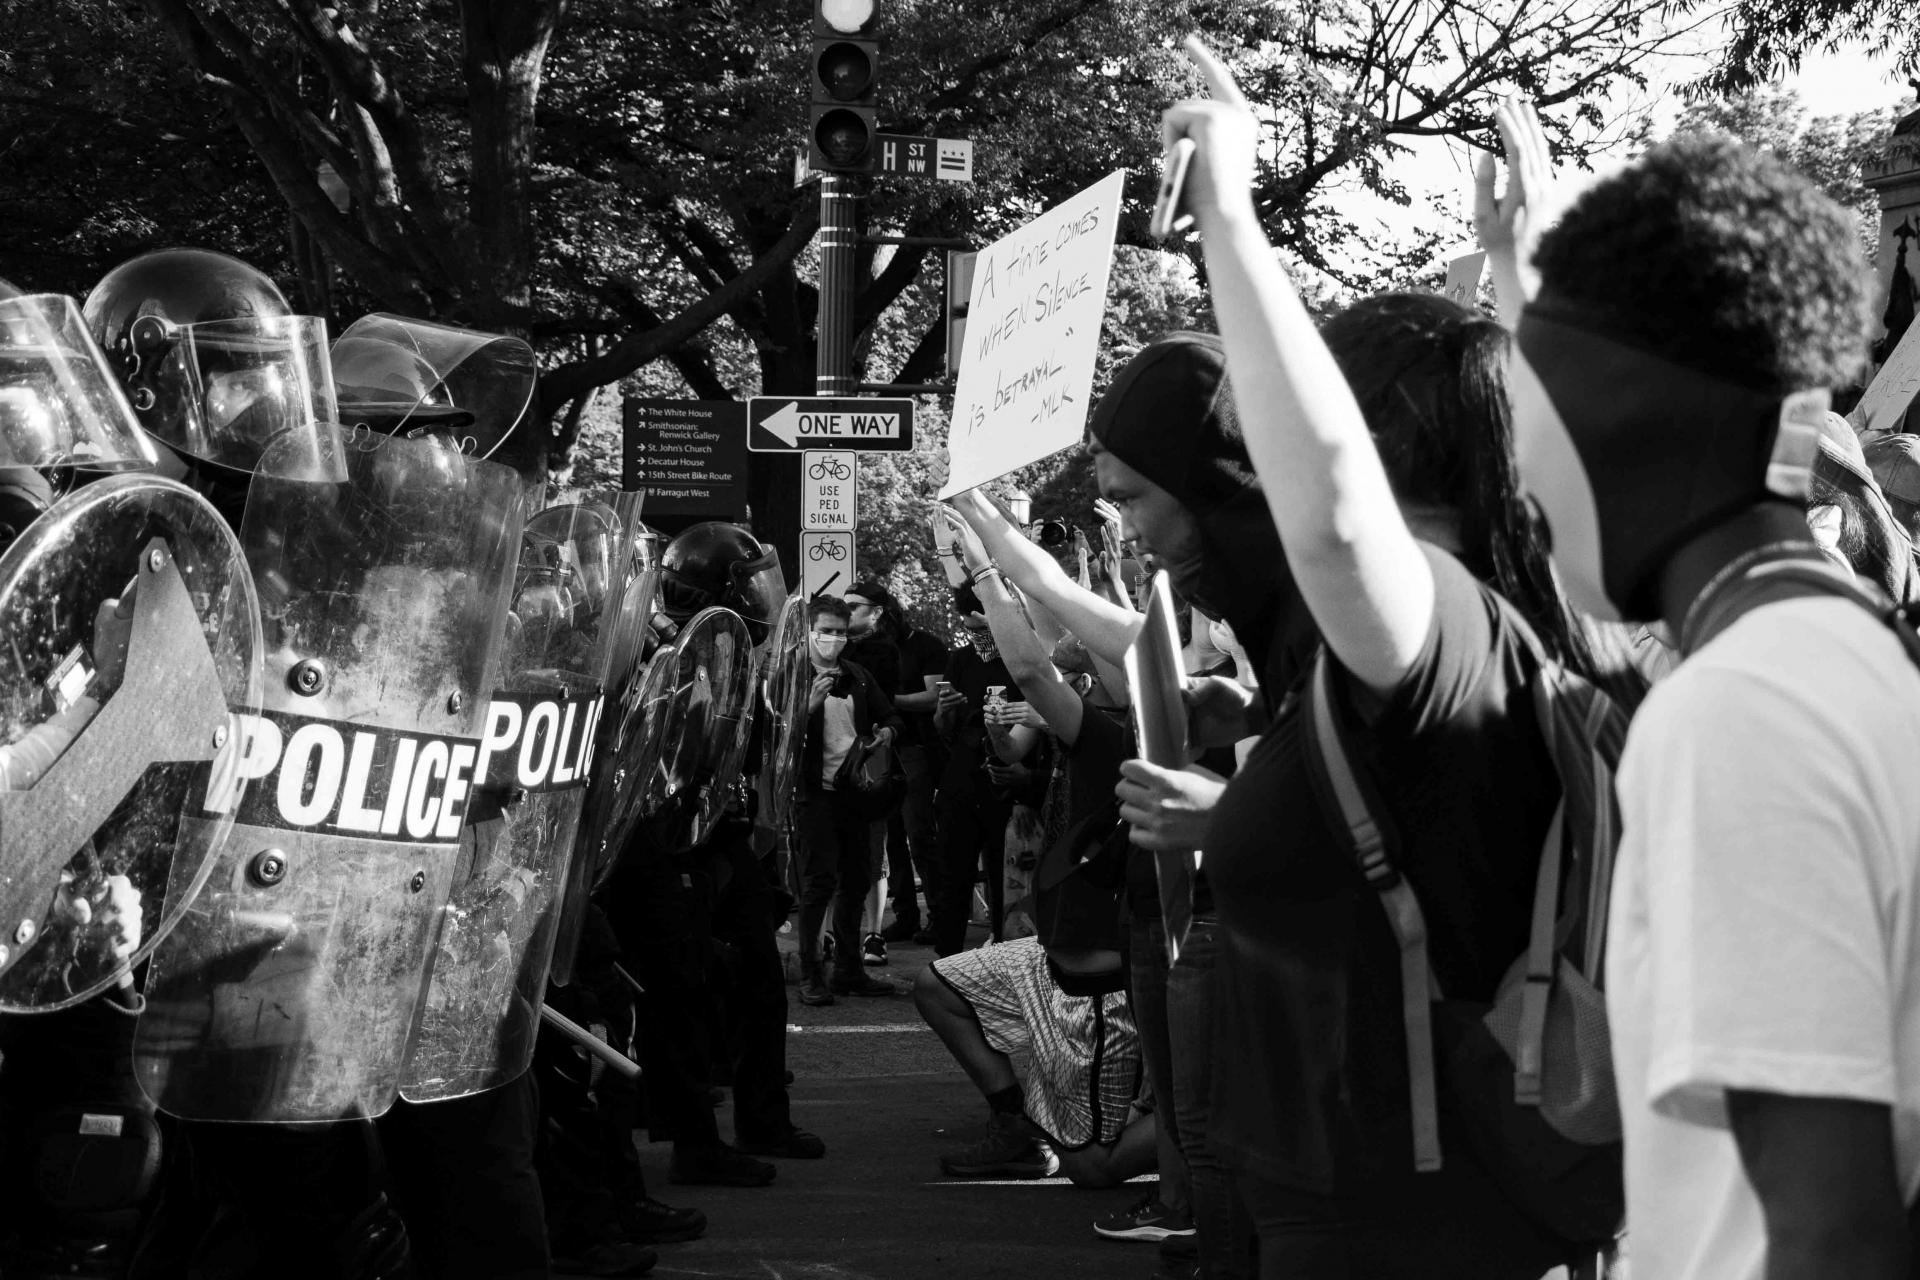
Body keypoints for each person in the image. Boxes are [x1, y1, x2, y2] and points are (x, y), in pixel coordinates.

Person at [1159, 39, 1638, 1279]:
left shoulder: (1447, 633)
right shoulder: (1551, 624)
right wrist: (1521, 283)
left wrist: (1230, 222)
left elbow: (1333, 518)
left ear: (1367, 441)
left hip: (1410, 1231)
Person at [1493, 118, 1920, 1278]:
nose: (1520, 477)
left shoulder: (1738, 711)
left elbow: (1829, 1231)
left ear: (1614, 414)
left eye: (1524, 410)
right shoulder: (1844, 660)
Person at [916, 508, 1153, 1189]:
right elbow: (1055, 639)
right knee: (938, 985)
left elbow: (1031, 664)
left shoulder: (1119, 739)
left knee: (1092, 1168)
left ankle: (1207, 1121)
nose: (1079, 650)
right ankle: (1017, 1122)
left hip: (1101, 986)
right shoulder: (1110, 719)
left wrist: (987, 570)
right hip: (1050, 952)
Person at [792, 594, 905, 1004]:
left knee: (856, 880)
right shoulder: (792, 674)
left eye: (840, 632)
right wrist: (807, 707)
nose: (833, 639)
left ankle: (848, 969)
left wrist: (888, 732)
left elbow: (891, 715)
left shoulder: (856, 674)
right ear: (808, 631)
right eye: (825, 631)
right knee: (818, 882)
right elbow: (772, 733)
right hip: (813, 792)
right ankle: (811, 973)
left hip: (854, 791)